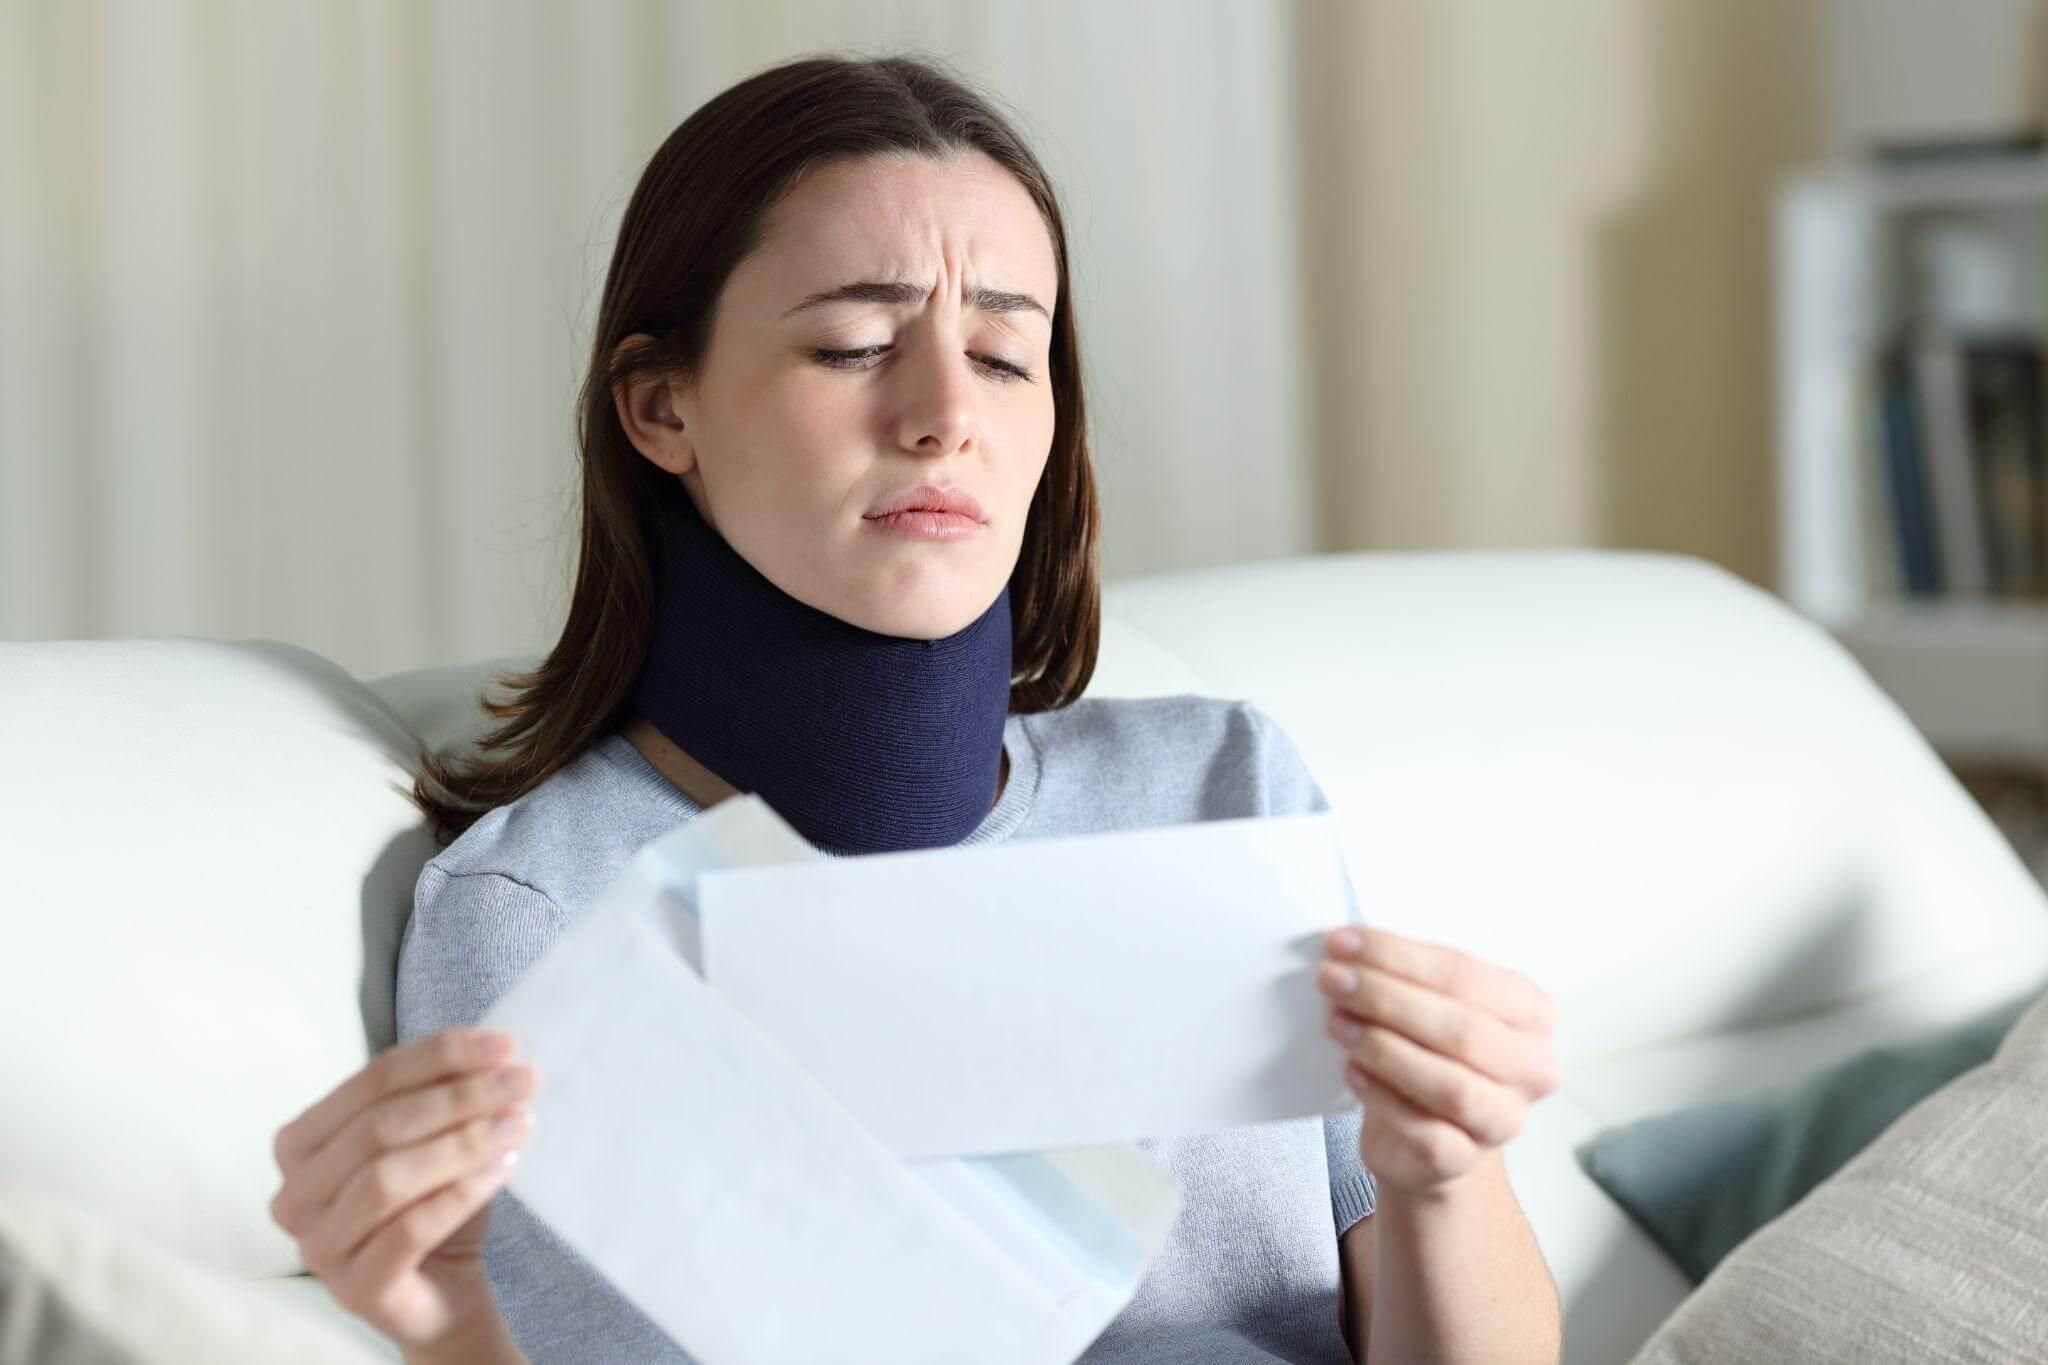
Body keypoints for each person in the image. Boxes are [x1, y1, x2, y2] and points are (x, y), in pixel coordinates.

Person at [265, 52, 1563, 1365]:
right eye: (855, 345)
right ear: (663, 406)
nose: (946, 414)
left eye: (1006, 352)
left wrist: (1442, 1176)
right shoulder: (549, 916)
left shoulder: (1225, 786)